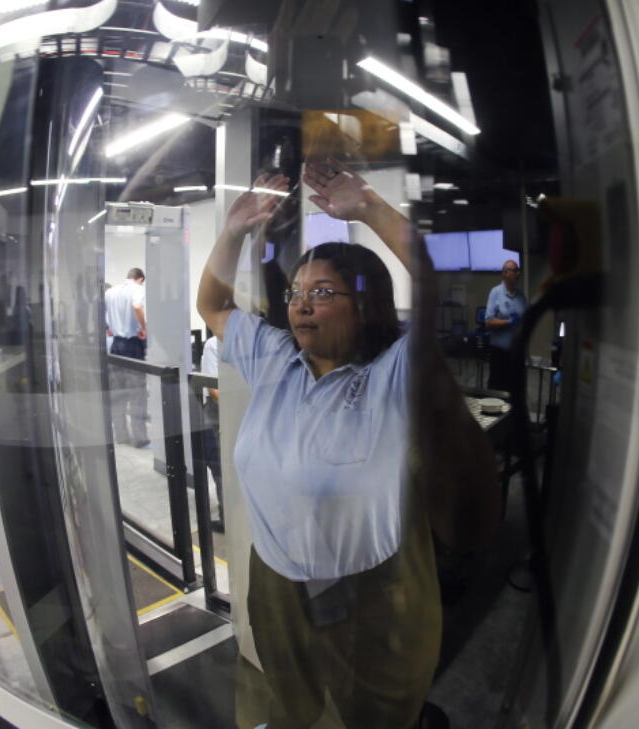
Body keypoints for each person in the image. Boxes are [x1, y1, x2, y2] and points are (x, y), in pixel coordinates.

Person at [198, 162, 497, 729]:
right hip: (275, 577)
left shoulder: (392, 374)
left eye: (323, 293)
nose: (301, 305)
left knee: (374, 713)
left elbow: (436, 287)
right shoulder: (274, 358)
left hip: (369, 589)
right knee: (291, 702)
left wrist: (370, 209)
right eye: (296, 293)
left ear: (365, 304)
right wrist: (234, 230)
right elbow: (213, 305)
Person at [105, 268, 149, 447]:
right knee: (137, 393)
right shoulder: (137, 289)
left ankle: (121, 436)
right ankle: (140, 438)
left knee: (118, 393)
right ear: (140, 279)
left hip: (116, 345)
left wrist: (108, 327)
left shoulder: (110, 291)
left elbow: (101, 313)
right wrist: (144, 327)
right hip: (132, 345)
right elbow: (137, 306)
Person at [485, 259, 528, 394]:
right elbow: (488, 322)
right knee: (497, 389)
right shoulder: (496, 293)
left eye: (518, 271)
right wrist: (508, 322)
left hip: (516, 352)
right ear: (505, 273)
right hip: (499, 352)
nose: (518, 273)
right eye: (515, 270)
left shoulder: (520, 295)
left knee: (515, 389)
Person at [198, 331, 224, 531]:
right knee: (221, 465)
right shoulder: (215, 344)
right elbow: (213, 389)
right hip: (225, 410)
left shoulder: (214, 344)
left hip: (222, 411)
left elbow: (213, 389)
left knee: (220, 466)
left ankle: (228, 519)